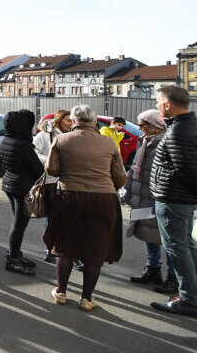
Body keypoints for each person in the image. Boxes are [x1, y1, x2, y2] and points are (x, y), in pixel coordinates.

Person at [43, 104, 125, 313]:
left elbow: (52, 169)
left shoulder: (61, 140)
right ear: (94, 121)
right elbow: (120, 177)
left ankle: (61, 292)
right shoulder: (108, 142)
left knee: (64, 246)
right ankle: (87, 298)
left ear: (74, 120)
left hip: (70, 196)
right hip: (103, 199)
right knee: (95, 248)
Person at [150, 85, 197, 317]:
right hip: (180, 199)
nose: (157, 106)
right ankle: (191, 293)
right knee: (185, 245)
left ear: (168, 105)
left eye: (158, 102)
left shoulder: (179, 131)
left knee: (177, 247)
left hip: (174, 200)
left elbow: (187, 169)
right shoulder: (185, 126)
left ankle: (189, 298)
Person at [124, 110, 174, 292]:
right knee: (147, 233)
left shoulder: (165, 143)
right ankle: (152, 270)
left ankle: (173, 277)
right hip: (142, 198)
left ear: (155, 125)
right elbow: (133, 169)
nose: (139, 128)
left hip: (157, 199)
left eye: (142, 125)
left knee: (167, 239)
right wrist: (128, 190)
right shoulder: (144, 141)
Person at [0, 110, 43, 275]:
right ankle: (13, 260)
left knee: (17, 223)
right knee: (19, 226)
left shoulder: (6, 139)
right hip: (22, 187)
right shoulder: (23, 145)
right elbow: (37, 170)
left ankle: (15, 253)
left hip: (10, 184)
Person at [34, 109, 72, 263]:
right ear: (59, 120)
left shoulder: (72, 136)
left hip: (68, 182)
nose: (71, 123)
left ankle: (67, 250)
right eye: (68, 120)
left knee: (68, 218)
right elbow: (34, 152)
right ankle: (49, 248)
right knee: (51, 217)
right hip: (51, 181)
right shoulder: (45, 135)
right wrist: (51, 161)